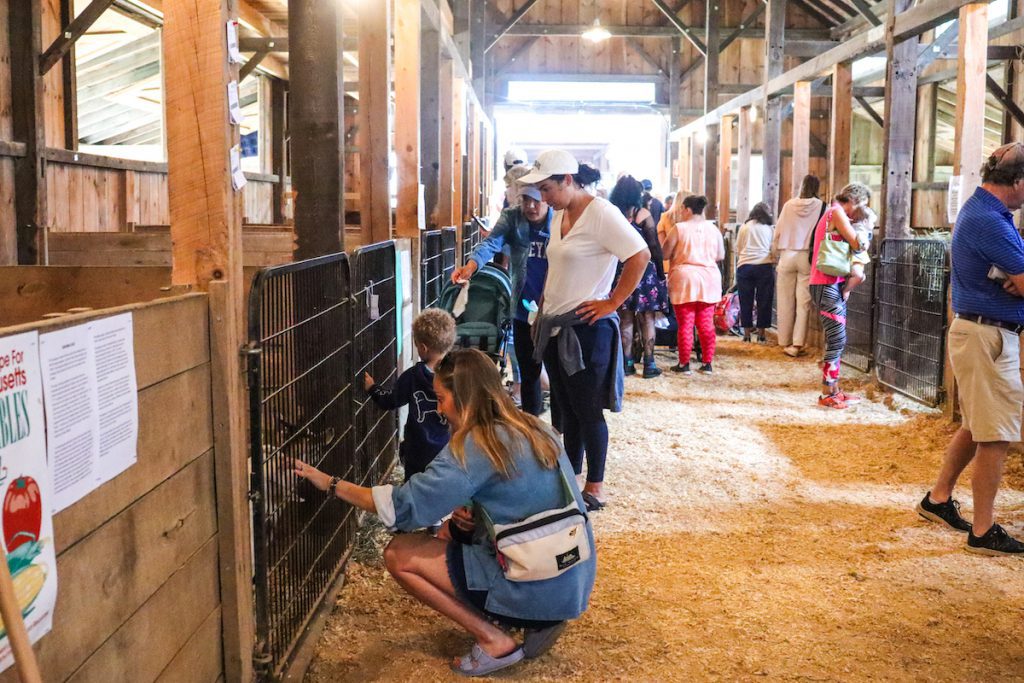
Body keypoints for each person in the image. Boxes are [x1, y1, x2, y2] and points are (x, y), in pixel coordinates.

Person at [295, 349, 596, 675]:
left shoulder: (476, 445)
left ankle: (495, 639)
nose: (439, 409)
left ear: (464, 398)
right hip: (574, 578)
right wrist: (470, 522)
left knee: (399, 554)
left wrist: (331, 483)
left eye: (441, 398)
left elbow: (405, 508)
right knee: (449, 530)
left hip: (535, 581)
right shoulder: (535, 427)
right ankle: (536, 616)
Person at [518, 149, 651, 511]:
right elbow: (556, 268)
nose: (543, 198)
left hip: (587, 329)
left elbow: (639, 255)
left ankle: (596, 486)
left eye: (547, 189)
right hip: (554, 325)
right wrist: (543, 307)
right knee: (566, 407)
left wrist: (613, 301)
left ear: (568, 180)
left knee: (588, 409)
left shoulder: (601, 213)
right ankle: (572, 478)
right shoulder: (560, 216)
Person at [916, 142, 1024, 557]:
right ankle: (983, 531)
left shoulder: (982, 210)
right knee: (995, 436)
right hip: (988, 335)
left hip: (979, 331)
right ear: (1017, 180)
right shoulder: (991, 222)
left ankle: (938, 498)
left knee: (977, 424)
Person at [452, 184, 552, 416]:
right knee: (529, 372)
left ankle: (560, 431)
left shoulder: (560, 219)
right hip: (523, 307)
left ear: (547, 199)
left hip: (554, 307)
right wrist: (471, 267)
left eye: (536, 200)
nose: (530, 206)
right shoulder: (512, 217)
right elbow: (491, 242)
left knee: (558, 374)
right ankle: (531, 424)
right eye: (525, 200)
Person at [364, 309, 456, 479]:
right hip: (447, 451)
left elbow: (389, 401)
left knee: (413, 487)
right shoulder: (457, 375)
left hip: (417, 452)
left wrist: (372, 388)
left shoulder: (413, 376)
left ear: (423, 348)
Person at [808, 183, 866, 409]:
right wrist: (865, 230)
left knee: (837, 338)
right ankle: (827, 392)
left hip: (830, 283)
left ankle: (834, 390)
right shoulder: (836, 212)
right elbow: (858, 244)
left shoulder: (833, 213)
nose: (859, 212)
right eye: (861, 206)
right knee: (836, 338)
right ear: (854, 200)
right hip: (826, 283)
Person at [608, 175, 669, 378]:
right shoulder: (642, 214)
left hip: (621, 270)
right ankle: (649, 364)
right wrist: (660, 273)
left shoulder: (613, 214)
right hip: (644, 272)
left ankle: (627, 363)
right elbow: (654, 246)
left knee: (625, 319)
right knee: (647, 318)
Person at [661, 195, 725, 374]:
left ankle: (684, 364)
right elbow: (720, 255)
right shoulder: (713, 229)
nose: (681, 212)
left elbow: (665, 253)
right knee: (706, 324)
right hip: (709, 278)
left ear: (688, 209)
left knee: (686, 324)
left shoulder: (679, 228)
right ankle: (707, 363)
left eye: (682, 209)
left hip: (685, 279)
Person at [772, 175, 825, 357]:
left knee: (784, 300)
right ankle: (797, 344)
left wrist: (775, 252)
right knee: (804, 304)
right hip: (807, 257)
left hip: (787, 254)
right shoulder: (822, 206)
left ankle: (783, 340)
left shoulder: (788, 205)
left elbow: (778, 231)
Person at [735, 202, 776, 343]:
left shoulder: (744, 227)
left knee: (745, 300)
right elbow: (773, 248)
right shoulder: (769, 228)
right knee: (764, 300)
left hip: (745, 266)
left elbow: (738, 247)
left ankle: (746, 334)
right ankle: (761, 334)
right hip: (764, 265)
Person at [842, 201, 877, 301]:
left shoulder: (857, 227)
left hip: (855, 259)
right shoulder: (860, 228)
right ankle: (846, 290)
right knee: (859, 276)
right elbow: (860, 238)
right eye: (872, 222)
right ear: (865, 221)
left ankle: (846, 288)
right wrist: (864, 244)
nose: (873, 225)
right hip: (854, 259)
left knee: (861, 277)